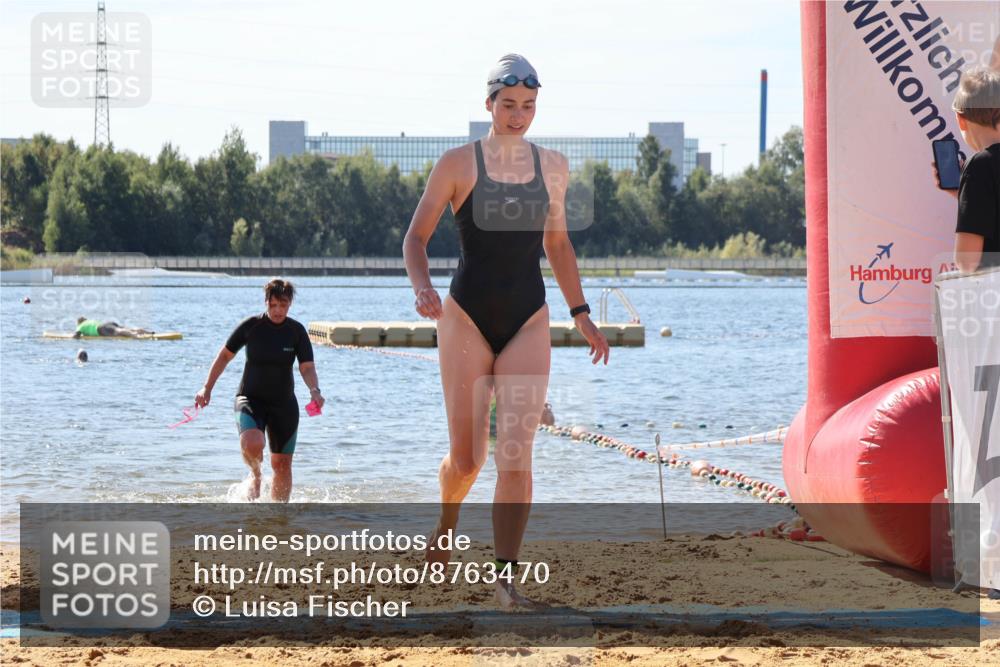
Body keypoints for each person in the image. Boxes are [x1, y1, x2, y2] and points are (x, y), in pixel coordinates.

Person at [402, 54, 610, 610]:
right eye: (510, 104)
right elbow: (415, 239)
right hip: (465, 318)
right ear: (489, 103)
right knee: (468, 460)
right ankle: (446, 522)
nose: (519, 115)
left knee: (516, 456)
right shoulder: (457, 164)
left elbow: (557, 244)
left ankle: (505, 579)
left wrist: (581, 313)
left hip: (528, 318)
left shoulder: (554, 167)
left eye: (529, 106)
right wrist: (421, 288)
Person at [193, 279, 323, 502]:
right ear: (266, 302)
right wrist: (207, 387)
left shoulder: (296, 331)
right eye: (273, 305)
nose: (278, 310)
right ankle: (256, 475)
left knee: (282, 465)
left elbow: (307, 367)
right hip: (250, 399)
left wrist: (314, 390)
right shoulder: (251, 326)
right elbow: (224, 356)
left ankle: (278, 515)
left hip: (284, 404)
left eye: (283, 305)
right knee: (253, 443)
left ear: (290, 304)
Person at [933, 66, 1000, 272]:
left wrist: (969, 190)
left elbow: (967, 261)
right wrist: (963, 195)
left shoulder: (979, 166)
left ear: (961, 120)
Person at [74, 317, 153, 338]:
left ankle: (135, 335)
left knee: (119, 331)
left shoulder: (80, 326)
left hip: (101, 329)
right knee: (128, 329)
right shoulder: (89, 321)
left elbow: (76, 335)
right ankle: (147, 332)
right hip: (107, 324)